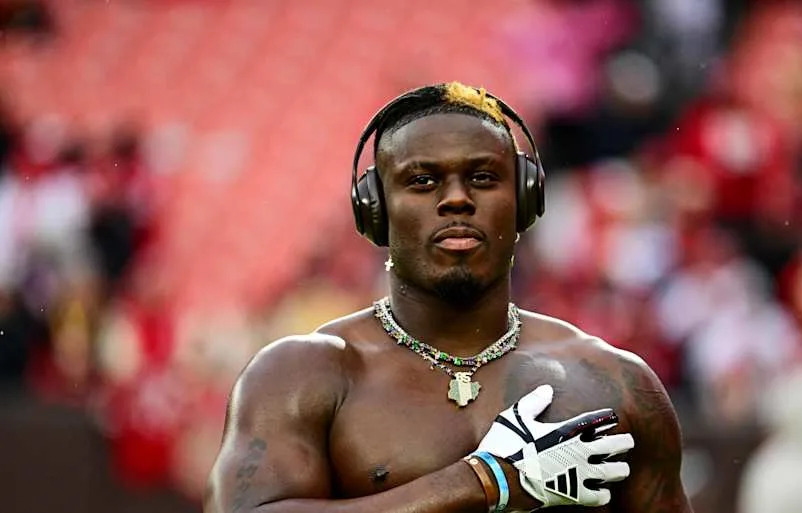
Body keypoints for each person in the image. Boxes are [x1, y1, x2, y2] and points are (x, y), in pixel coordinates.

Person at [205, 82, 692, 512]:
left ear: (524, 201)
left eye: (483, 177)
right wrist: (486, 481)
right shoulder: (302, 375)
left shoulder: (615, 382)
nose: (456, 198)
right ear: (375, 210)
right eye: (422, 181)